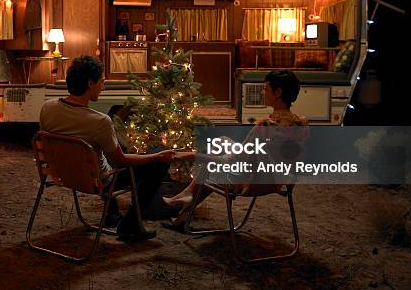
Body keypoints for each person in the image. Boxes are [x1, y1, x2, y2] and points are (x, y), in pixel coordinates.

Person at [39, 55, 176, 241]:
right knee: (157, 162)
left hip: (63, 174)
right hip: (97, 181)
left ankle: (112, 214)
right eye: (101, 82)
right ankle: (130, 225)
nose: (103, 87)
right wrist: (157, 157)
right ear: (90, 83)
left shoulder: (47, 108)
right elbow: (121, 161)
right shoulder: (100, 122)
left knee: (109, 149)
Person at [162, 69, 308, 228]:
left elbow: (233, 161)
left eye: (266, 89)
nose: (263, 92)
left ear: (278, 92)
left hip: (250, 181)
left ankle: (187, 198)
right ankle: (186, 203)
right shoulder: (301, 124)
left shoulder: (265, 127)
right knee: (222, 142)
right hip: (279, 180)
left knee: (211, 164)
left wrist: (190, 155)